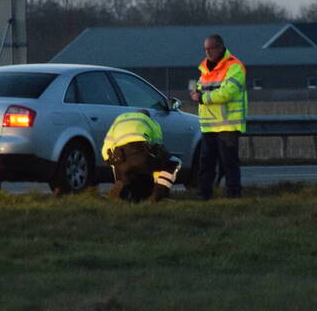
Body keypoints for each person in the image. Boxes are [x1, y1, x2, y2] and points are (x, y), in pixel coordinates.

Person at [189, 33, 247, 199]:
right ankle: (203, 195)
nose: (207, 52)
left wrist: (201, 97)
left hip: (227, 125)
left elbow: (226, 94)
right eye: (205, 49)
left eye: (210, 49)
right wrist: (197, 93)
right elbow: (202, 89)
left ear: (220, 48)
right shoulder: (205, 68)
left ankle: (233, 195)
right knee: (205, 164)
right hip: (209, 125)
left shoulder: (234, 67)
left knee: (229, 164)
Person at [101, 110, 181, 202]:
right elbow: (158, 147)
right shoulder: (151, 122)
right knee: (174, 162)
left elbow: (106, 149)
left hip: (120, 161)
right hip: (140, 156)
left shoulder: (119, 120)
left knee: (119, 167)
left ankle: (122, 185)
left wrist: (111, 163)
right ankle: (158, 195)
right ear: (147, 116)